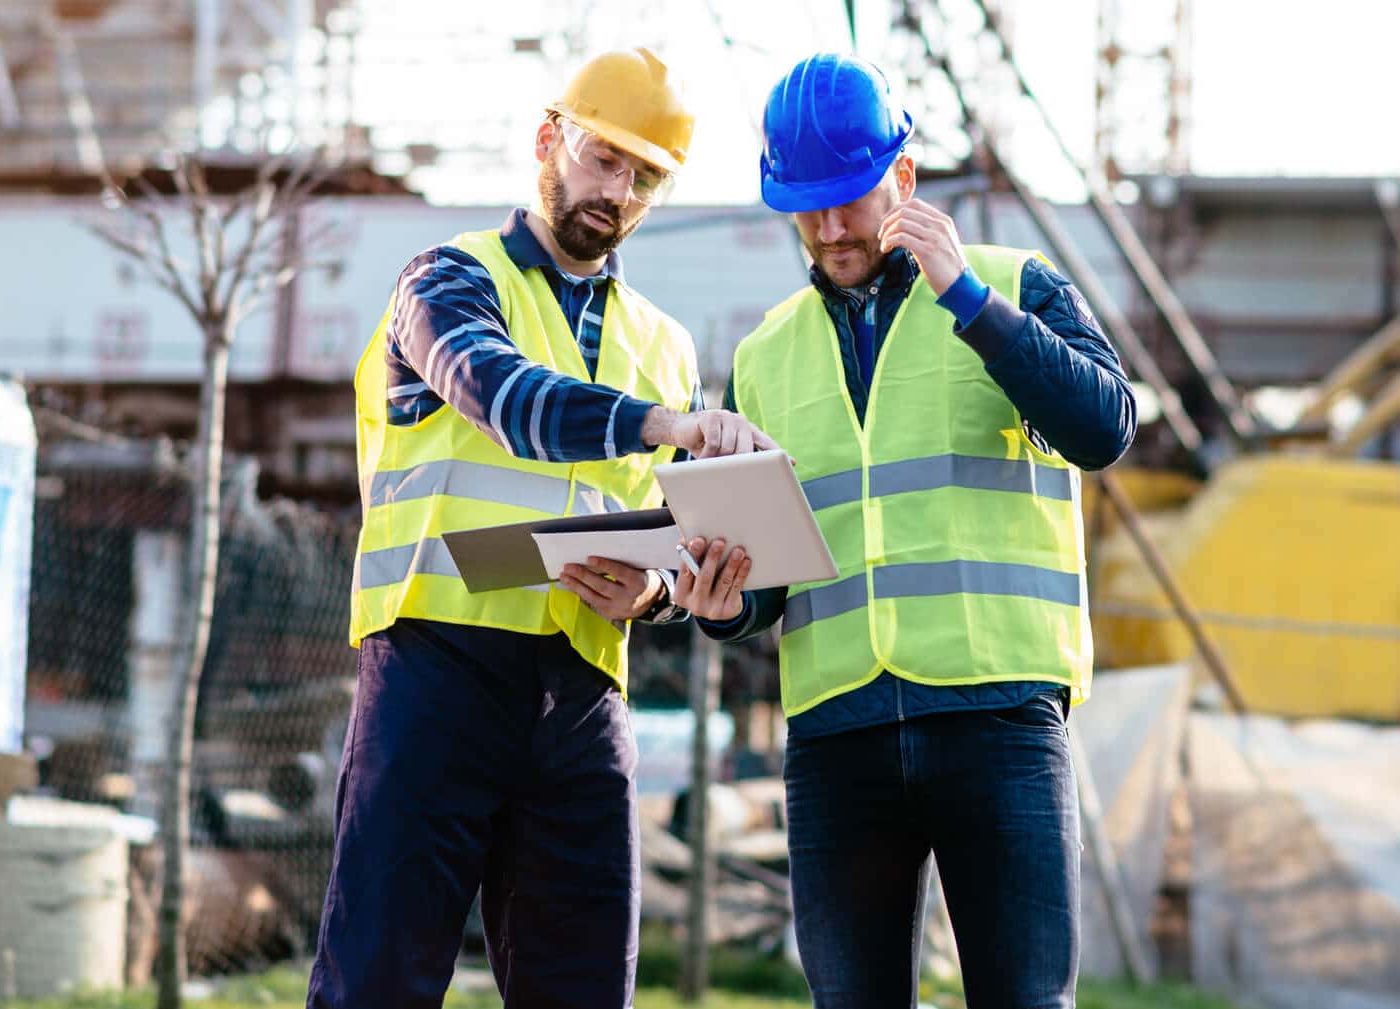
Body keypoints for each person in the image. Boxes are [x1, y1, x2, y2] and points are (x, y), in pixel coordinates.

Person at [306, 47, 776, 1009]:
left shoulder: (665, 343)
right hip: (433, 669)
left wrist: (657, 595)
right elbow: (501, 395)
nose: (620, 190)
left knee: (585, 989)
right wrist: (664, 423)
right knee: (378, 980)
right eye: (606, 158)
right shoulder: (443, 280)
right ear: (547, 141)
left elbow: (674, 531)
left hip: (584, 698)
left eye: (646, 177)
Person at [672, 53, 1137, 1009]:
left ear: (906, 179)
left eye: (851, 197)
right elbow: (768, 572)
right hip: (838, 733)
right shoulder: (764, 356)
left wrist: (969, 300)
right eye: (808, 206)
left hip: (998, 716)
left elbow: (1105, 428)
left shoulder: (1012, 284)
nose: (832, 228)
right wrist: (722, 605)